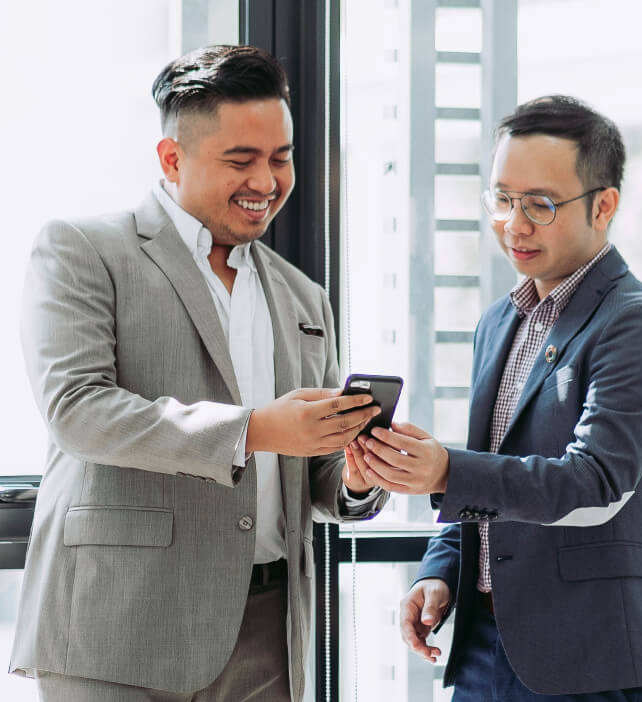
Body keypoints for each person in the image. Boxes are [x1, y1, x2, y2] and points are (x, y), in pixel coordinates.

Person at [11, 45, 386, 702]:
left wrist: (355, 477)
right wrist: (255, 429)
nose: (266, 181)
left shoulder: (305, 298)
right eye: (241, 159)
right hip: (121, 627)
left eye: (281, 157)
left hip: (270, 630)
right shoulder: (82, 250)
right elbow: (77, 409)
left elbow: (315, 477)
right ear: (172, 159)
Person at [348, 95, 642, 700]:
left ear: (604, 205)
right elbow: (491, 478)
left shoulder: (637, 324)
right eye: (502, 199)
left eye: (540, 204)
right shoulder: (500, 321)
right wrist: (442, 572)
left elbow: (596, 484)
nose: (514, 223)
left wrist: (446, 469)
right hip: (484, 647)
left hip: (594, 660)